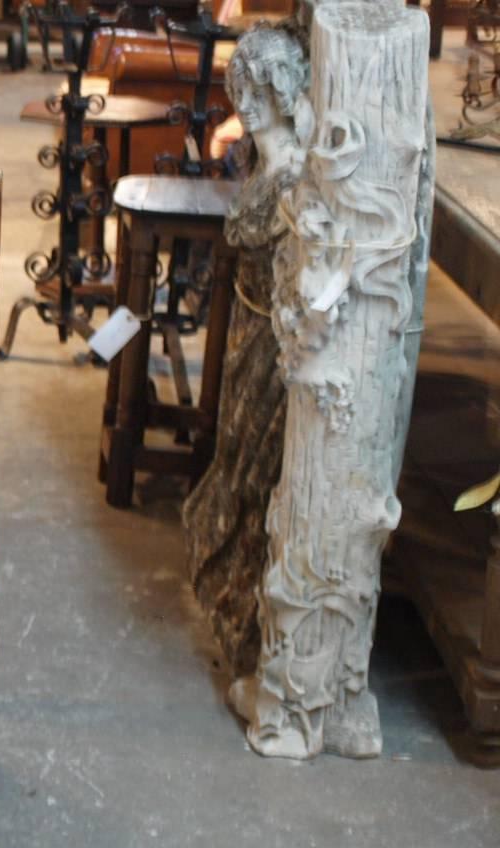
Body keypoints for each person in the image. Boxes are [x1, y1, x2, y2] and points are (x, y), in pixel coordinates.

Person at [182, 25, 311, 679]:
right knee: (234, 461)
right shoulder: (264, 162)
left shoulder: (292, 172)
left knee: (255, 473)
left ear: (284, 91)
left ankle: (249, 621)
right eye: (242, 85)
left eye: (259, 87)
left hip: (268, 342)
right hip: (244, 333)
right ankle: (229, 600)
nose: (248, 100)